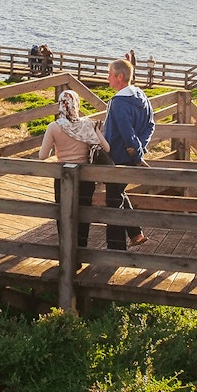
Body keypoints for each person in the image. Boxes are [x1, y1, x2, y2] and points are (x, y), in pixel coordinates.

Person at [39, 89, 110, 262]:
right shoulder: (88, 124)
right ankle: (80, 253)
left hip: (62, 176)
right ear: (77, 104)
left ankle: (66, 255)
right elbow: (106, 148)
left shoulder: (54, 127)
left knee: (63, 215)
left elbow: (42, 155)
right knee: (82, 215)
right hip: (85, 177)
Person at [104, 59, 155, 250]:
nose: (107, 77)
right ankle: (136, 234)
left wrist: (137, 153)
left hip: (118, 158)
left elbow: (127, 134)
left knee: (113, 202)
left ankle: (115, 249)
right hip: (131, 158)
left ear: (120, 77)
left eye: (110, 74)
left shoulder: (118, 103)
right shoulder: (142, 96)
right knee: (118, 194)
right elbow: (151, 125)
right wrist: (140, 149)